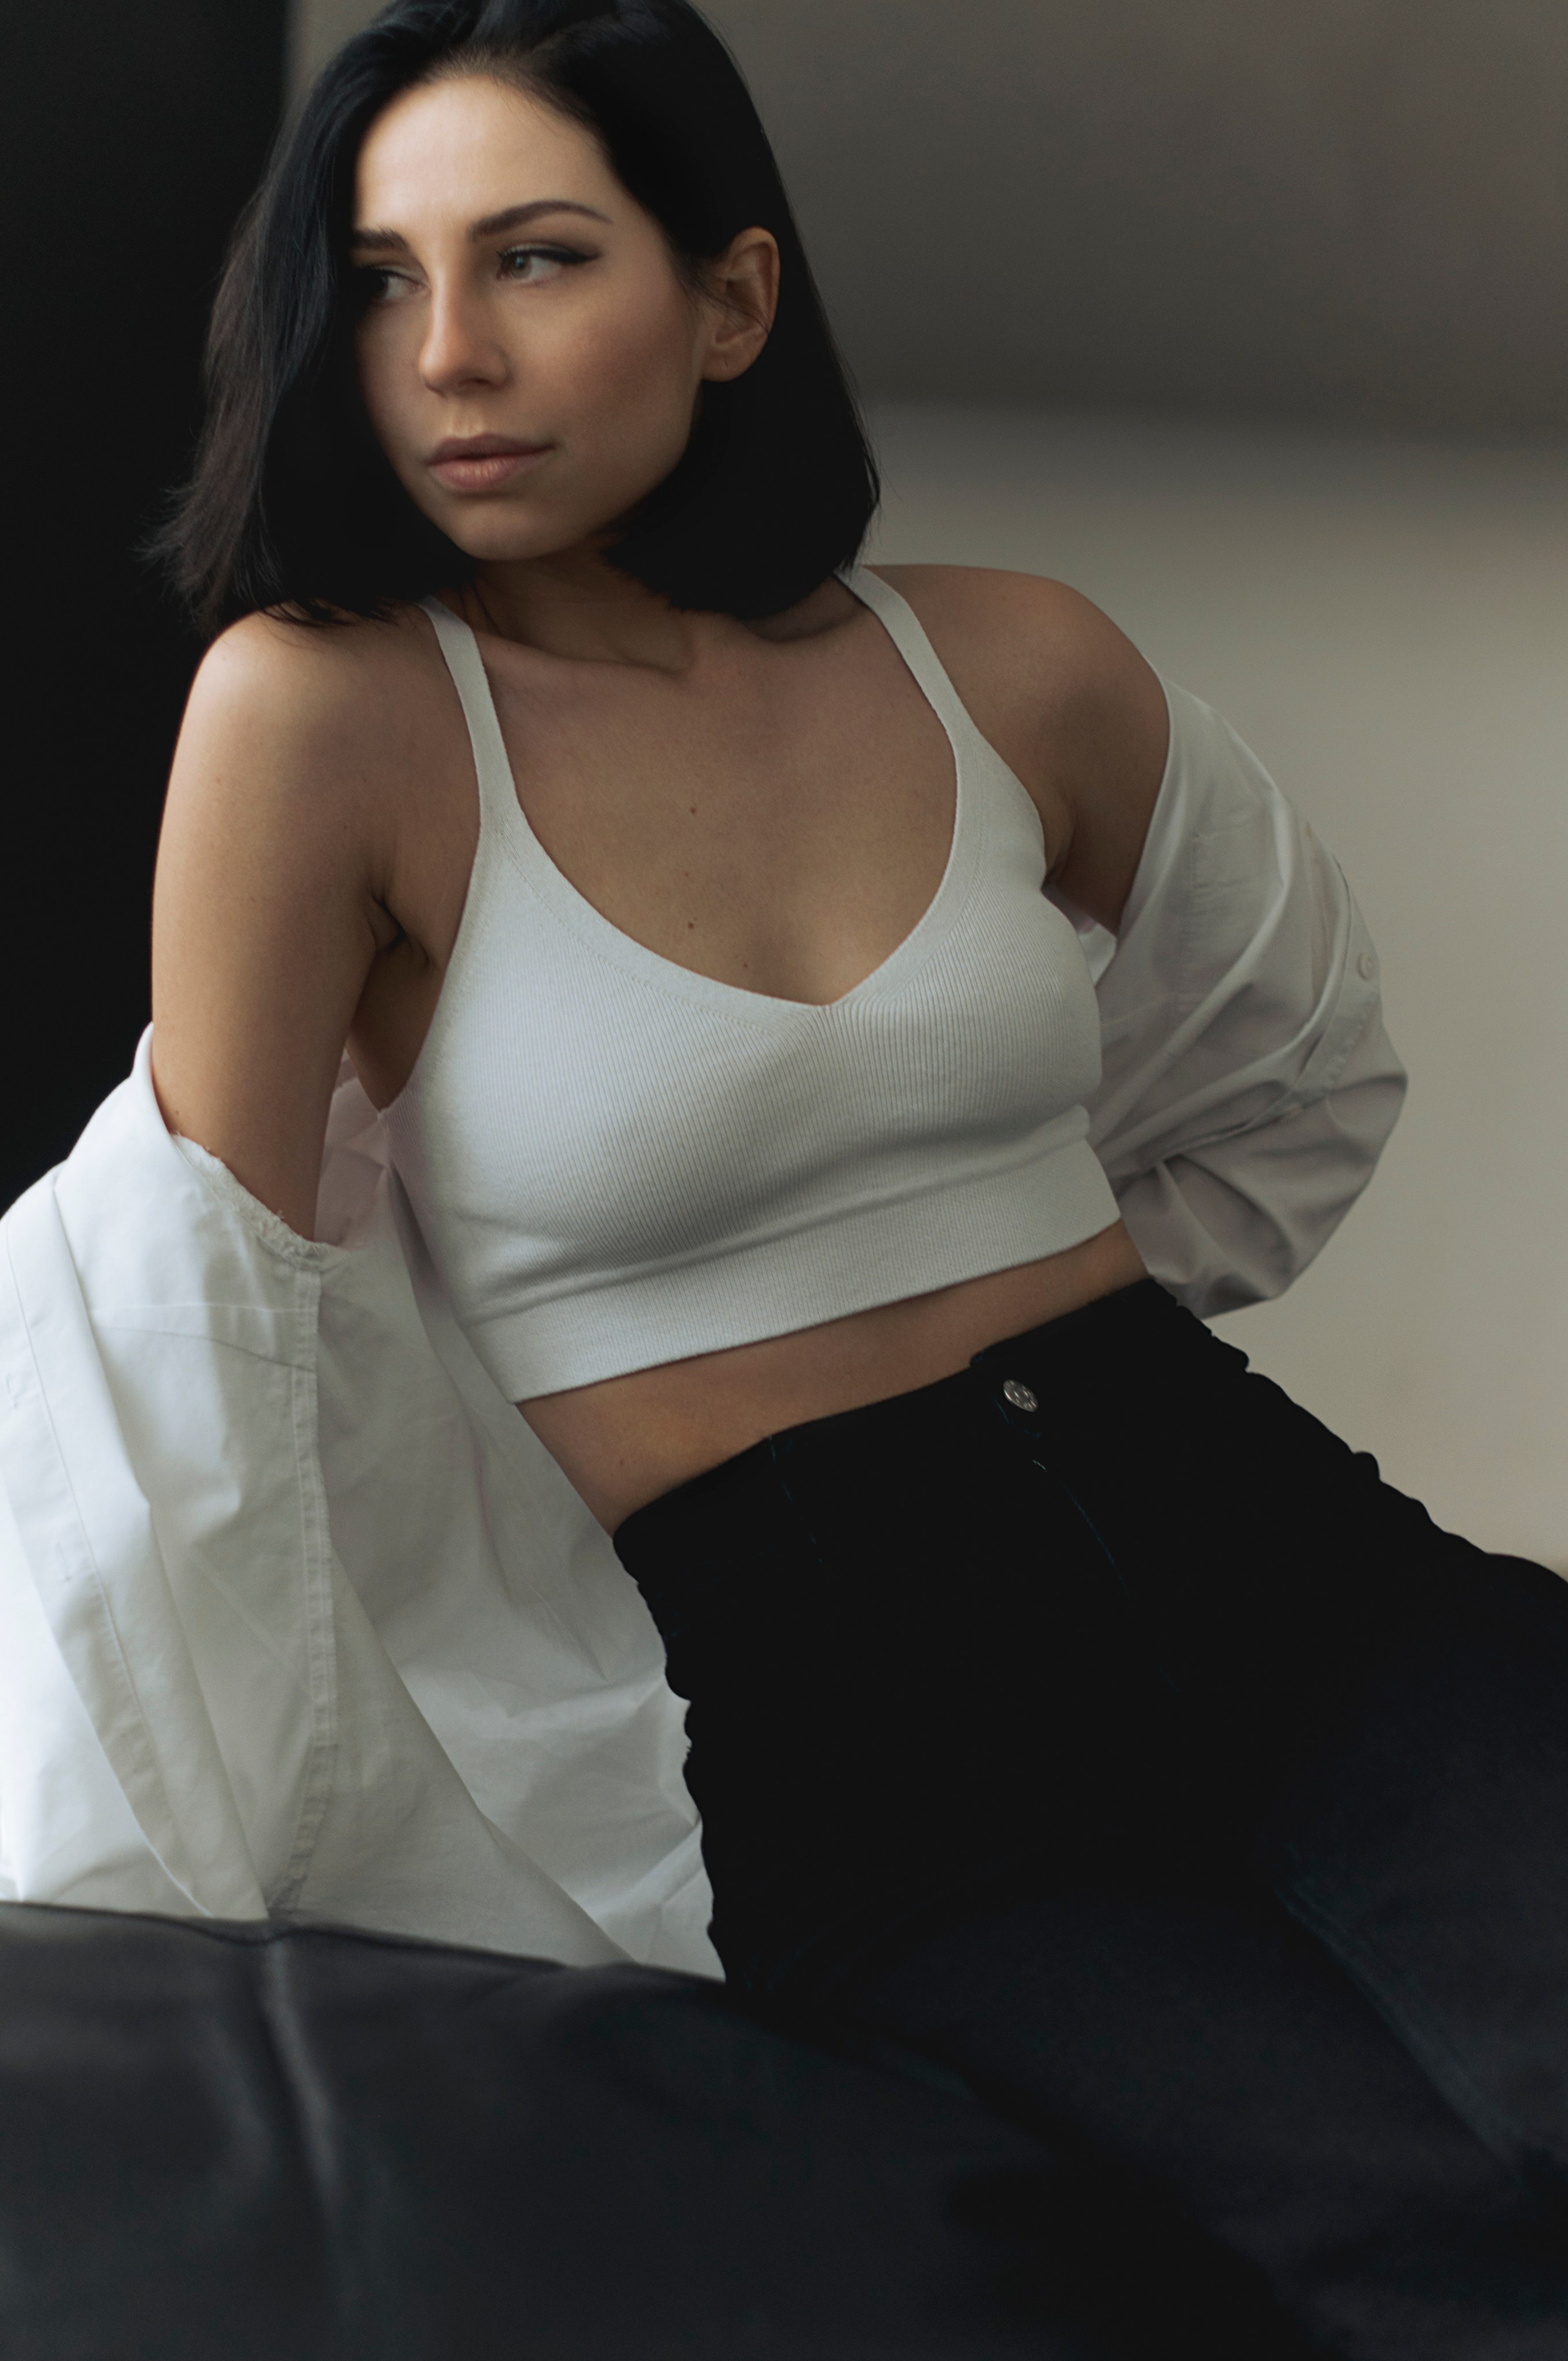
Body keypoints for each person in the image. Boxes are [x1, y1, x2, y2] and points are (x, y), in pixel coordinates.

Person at [13, 0, 1567, 2348]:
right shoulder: (323, 716)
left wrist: (1031, 1317)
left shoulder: (1009, 659)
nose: (446, 354)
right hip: (867, 1737)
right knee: (1401, 2246)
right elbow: (197, 1334)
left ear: (731, 297)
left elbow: (1291, 1056)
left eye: (536, 256)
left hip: (1295, 1576)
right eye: (384, 277)